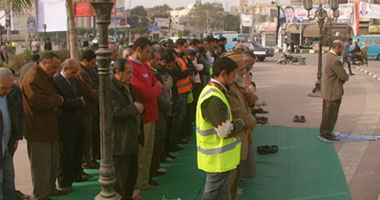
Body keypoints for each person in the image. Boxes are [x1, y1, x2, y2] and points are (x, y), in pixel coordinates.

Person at [196, 57, 245, 200]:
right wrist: (241, 124)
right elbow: (224, 130)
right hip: (217, 159)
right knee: (213, 196)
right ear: (224, 73)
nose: (235, 79)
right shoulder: (213, 97)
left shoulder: (215, 92)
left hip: (220, 159)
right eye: (234, 74)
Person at [22, 52, 69, 200]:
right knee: (41, 165)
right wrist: (58, 101)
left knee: (52, 162)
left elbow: (50, 98)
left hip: (50, 128)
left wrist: (55, 100)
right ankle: (41, 194)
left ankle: (50, 188)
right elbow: (37, 102)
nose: (56, 70)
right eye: (54, 66)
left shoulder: (45, 77)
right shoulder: (33, 78)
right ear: (44, 63)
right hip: (38, 129)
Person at [128, 37, 162, 197]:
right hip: (142, 118)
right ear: (138, 50)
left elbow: (157, 84)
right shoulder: (131, 67)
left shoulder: (143, 66)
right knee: (140, 155)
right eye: (147, 52)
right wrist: (154, 89)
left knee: (148, 152)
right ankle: (135, 189)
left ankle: (144, 182)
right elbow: (146, 92)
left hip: (152, 114)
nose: (148, 56)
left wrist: (154, 89)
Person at [111, 58, 145, 200]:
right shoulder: (110, 88)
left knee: (131, 177)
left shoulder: (126, 86)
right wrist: (135, 108)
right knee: (120, 180)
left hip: (130, 139)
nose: (131, 76)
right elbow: (115, 112)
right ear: (118, 72)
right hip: (120, 142)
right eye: (128, 72)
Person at [225, 52, 257, 200]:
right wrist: (252, 121)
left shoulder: (237, 85)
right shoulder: (228, 89)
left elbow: (250, 102)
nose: (244, 73)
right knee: (232, 171)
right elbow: (238, 112)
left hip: (242, 132)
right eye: (240, 70)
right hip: (236, 134)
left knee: (238, 168)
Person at [53, 59, 86, 192]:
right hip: (65, 123)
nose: (75, 75)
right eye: (73, 72)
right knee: (66, 154)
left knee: (77, 151)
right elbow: (61, 102)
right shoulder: (56, 82)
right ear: (65, 69)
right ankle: (64, 181)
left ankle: (76, 175)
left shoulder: (74, 81)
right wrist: (78, 102)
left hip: (78, 121)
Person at [0, 68, 23, 200]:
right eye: (3, 88)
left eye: (9, 87)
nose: (7, 91)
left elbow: (19, 116)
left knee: (8, 179)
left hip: (7, 145)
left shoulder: (14, 93)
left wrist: (16, 137)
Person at [320, 40, 349, 141]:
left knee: (326, 113)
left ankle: (324, 131)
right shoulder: (335, 60)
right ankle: (327, 133)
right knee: (331, 114)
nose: (342, 51)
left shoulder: (327, 56)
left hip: (327, 90)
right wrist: (344, 78)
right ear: (337, 48)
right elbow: (344, 76)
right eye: (341, 49)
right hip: (333, 91)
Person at [77, 50, 100, 170]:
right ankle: (87, 159)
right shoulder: (82, 73)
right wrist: (100, 91)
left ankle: (91, 158)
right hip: (87, 109)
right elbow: (89, 93)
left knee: (91, 135)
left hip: (92, 109)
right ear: (85, 61)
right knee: (88, 136)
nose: (93, 66)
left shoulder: (87, 71)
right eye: (91, 63)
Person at [170, 38, 193, 150]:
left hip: (184, 91)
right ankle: (174, 141)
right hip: (179, 93)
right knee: (177, 119)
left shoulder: (182, 59)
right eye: (185, 47)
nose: (187, 49)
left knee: (181, 117)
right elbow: (180, 74)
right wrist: (188, 71)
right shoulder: (177, 60)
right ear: (178, 46)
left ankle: (177, 139)